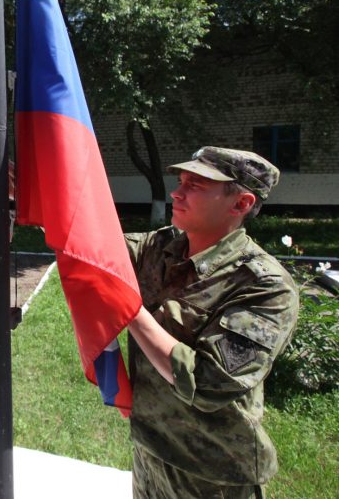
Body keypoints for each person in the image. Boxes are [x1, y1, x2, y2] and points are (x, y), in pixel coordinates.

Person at [124, 146, 299, 499]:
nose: (177, 193)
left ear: (241, 204)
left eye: (196, 185)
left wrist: (128, 309)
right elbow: (90, 247)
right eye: (181, 181)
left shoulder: (264, 286)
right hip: (151, 450)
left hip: (213, 474)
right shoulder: (162, 247)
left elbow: (207, 382)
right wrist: (37, 198)